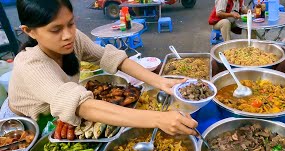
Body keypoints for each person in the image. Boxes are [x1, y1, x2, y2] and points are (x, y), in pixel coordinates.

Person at [0, 0, 198, 136]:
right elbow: (81, 105)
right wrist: (158, 119)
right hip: (22, 125)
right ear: (29, 31)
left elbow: (111, 58)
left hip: (54, 114)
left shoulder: (74, 39)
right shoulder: (30, 63)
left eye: (70, 24)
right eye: (56, 29)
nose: (68, 34)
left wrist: (161, 82)